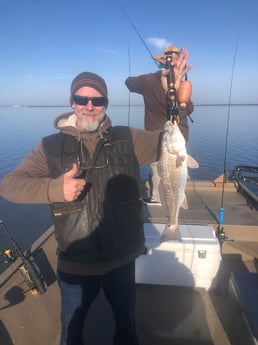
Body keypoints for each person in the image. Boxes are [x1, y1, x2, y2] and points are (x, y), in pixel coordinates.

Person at [0, 52, 191, 345]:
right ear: (72, 102)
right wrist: (54, 190)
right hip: (76, 265)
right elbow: (9, 186)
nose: (90, 106)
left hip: (123, 260)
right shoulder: (49, 148)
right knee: (72, 332)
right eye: (82, 99)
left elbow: (172, 143)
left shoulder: (128, 138)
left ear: (106, 104)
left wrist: (180, 99)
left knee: (127, 328)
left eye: (98, 100)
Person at [125, 45, 194, 204]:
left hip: (156, 137)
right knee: (173, 168)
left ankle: (157, 199)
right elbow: (189, 109)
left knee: (158, 169)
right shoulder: (181, 85)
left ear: (161, 63)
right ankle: (175, 195)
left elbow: (129, 83)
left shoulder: (148, 80)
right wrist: (180, 99)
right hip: (179, 137)